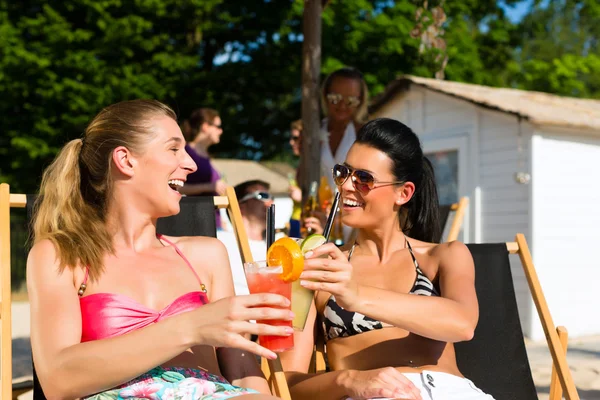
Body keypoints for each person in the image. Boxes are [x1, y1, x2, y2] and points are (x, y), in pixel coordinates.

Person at [26, 99, 291, 400]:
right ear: (125, 160)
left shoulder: (206, 255)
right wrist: (192, 326)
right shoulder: (63, 256)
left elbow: (241, 368)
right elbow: (58, 380)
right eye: (174, 149)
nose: (191, 164)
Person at [281, 118, 494, 399]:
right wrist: (349, 380)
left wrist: (356, 296)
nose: (346, 186)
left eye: (364, 179)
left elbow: (462, 324)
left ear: (403, 193)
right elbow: (287, 383)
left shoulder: (442, 256)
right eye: (343, 172)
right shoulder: (321, 268)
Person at [217, 180, 273, 296]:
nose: (270, 202)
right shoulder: (218, 241)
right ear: (240, 205)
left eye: (271, 197)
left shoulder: (279, 244)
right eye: (263, 196)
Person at [179, 108, 228, 229]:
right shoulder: (185, 152)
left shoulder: (206, 156)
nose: (221, 131)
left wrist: (221, 221)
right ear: (205, 126)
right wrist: (209, 186)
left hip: (214, 221)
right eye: (218, 126)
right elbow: (176, 187)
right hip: (196, 223)